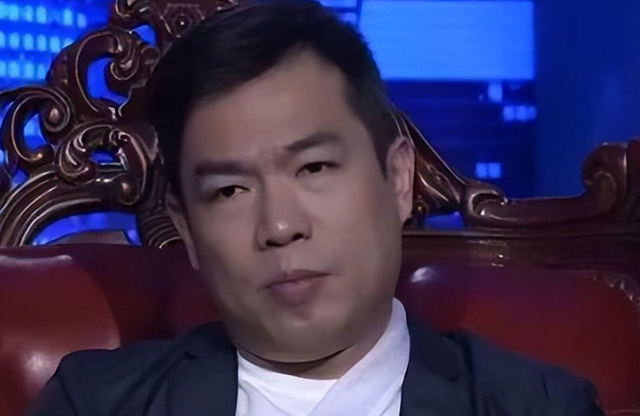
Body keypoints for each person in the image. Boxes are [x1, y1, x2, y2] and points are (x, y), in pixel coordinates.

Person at [27, 1, 604, 415]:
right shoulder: (94, 403)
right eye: (229, 191)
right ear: (187, 229)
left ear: (398, 178)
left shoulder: (537, 405)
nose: (280, 226)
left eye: (315, 169)